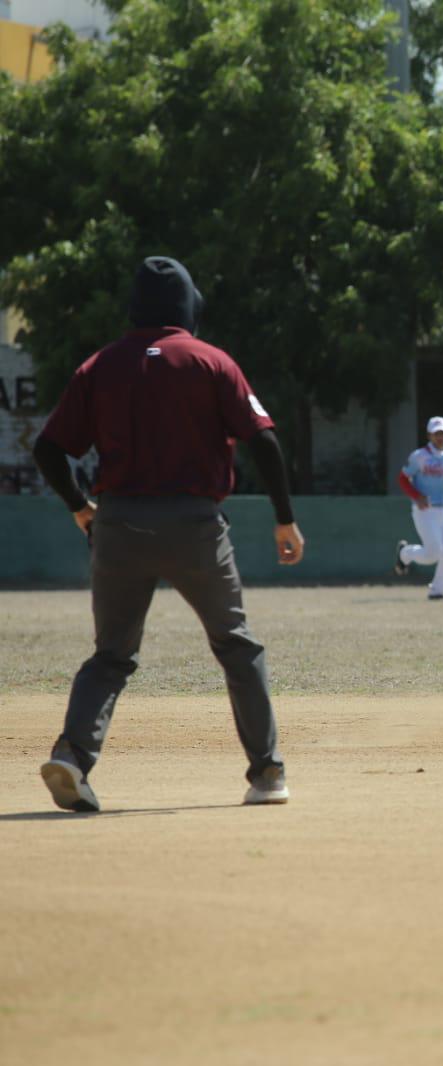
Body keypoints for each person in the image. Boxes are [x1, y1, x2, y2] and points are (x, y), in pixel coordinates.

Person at [31, 255, 305, 812]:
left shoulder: (99, 366)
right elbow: (264, 440)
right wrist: (284, 517)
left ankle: (73, 756)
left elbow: (48, 449)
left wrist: (80, 507)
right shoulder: (211, 361)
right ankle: (267, 772)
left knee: (111, 655)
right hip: (194, 527)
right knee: (236, 645)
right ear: (188, 306)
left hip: (118, 525)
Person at [393, 415, 443, 600]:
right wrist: (416, 496)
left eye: (442, 433)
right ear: (429, 435)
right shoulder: (419, 456)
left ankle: (438, 591)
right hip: (425, 509)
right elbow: (403, 479)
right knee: (433, 554)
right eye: (436, 433)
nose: (439, 437)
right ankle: (405, 553)